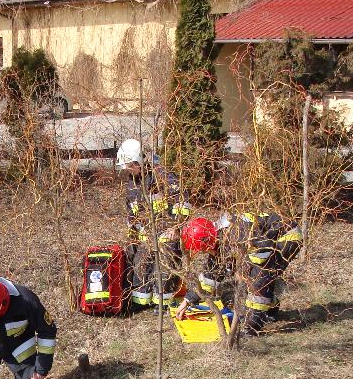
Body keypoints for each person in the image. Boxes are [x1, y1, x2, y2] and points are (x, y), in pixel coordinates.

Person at [174, 212, 302, 335]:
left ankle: (253, 326)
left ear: (207, 240)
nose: (205, 252)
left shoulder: (236, 233)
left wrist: (247, 272)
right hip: (265, 242)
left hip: (287, 236)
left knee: (259, 276)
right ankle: (269, 311)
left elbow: (262, 261)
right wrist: (187, 301)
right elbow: (210, 276)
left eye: (203, 249)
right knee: (253, 272)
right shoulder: (218, 237)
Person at [115, 138, 192, 309]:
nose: (127, 169)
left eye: (129, 165)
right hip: (146, 235)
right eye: (126, 166)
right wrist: (133, 237)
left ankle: (162, 304)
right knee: (140, 267)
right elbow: (132, 213)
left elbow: (183, 202)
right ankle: (141, 302)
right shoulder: (131, 183)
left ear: (138, 160)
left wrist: (176, 227)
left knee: (164, 269)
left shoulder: (162, 176)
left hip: (167, 233)